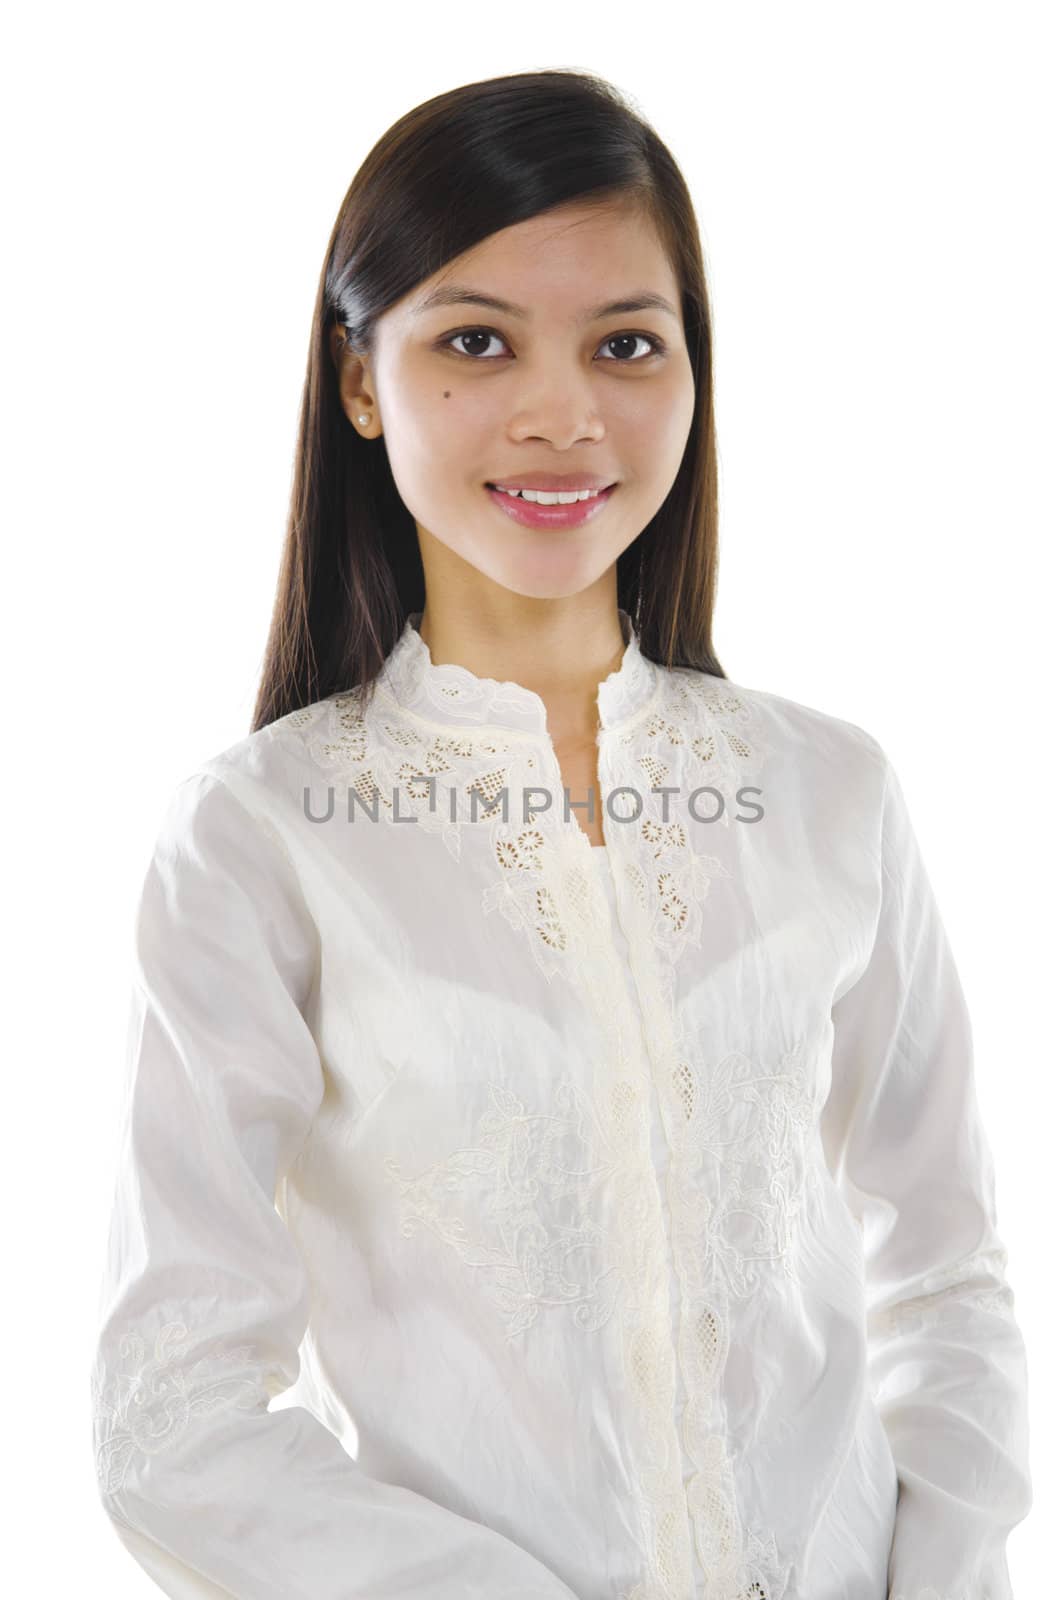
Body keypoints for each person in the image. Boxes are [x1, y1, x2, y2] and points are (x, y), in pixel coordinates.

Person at [88, 67, 1032, 1600]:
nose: (561, 413)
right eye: (475, 338)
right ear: (358, 379)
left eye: (626, 344)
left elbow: (948, 1265)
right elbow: (171, 1419)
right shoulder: (260, 841)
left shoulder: (832, 795)